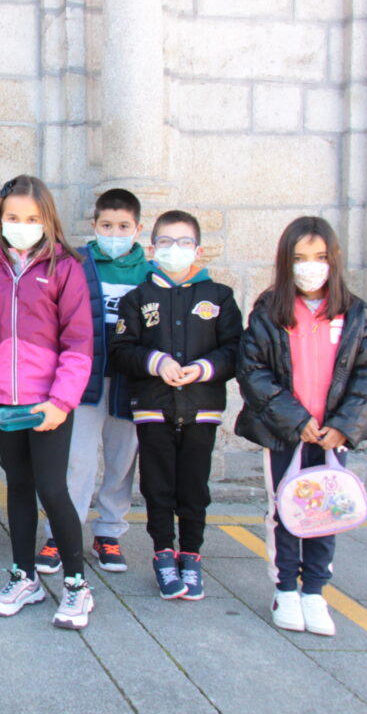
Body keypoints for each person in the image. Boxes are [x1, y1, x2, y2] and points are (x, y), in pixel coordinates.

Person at [0, 175, 95, 630]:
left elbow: (78, 344)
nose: (21, 225)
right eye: (13, 217)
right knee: (17, 486)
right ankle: (24, 577)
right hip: (2, 402)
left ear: (47, 220)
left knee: (53, 489)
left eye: (32, 218)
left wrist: (61, 401)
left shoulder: (66, 268)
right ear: (0, 220)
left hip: (48, 403)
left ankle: (76, 585)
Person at [235, 216, 367, 637]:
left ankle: (315, 589)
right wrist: (296, 420)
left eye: (319, 257)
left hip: (333, 434)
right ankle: (285, 588)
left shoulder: (352, 312)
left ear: (333, 260)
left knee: (326, 510)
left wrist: (343, 425)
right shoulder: (269, 310)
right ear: (286, 262)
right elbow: (254, 372)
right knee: (287, 509)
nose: (310, 266)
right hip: (288, 433)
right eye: (300, 258)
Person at [109, 210, 242, 602]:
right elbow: (120, 351)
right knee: (157, 485)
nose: (175, 249)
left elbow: (235, 350)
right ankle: (164, 554)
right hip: (153, 406)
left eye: (184, 242)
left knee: (194, 487)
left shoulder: (219, 297)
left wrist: (204, 368)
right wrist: (156, 362)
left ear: (198, 250)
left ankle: (192, 555)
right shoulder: (138, 298)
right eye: (165, 242)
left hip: (202, 407)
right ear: (152, 248)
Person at [35, 188, 151, 575]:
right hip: (83, 383)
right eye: (106, 225)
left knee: (121, 461)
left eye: (123, 226)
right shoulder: (76, 263)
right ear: (94, 225)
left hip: (130, 384)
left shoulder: (151, 274)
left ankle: (109, 532)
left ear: (138, 228)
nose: (114, 233)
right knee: (76, 461)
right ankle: (60, 533)